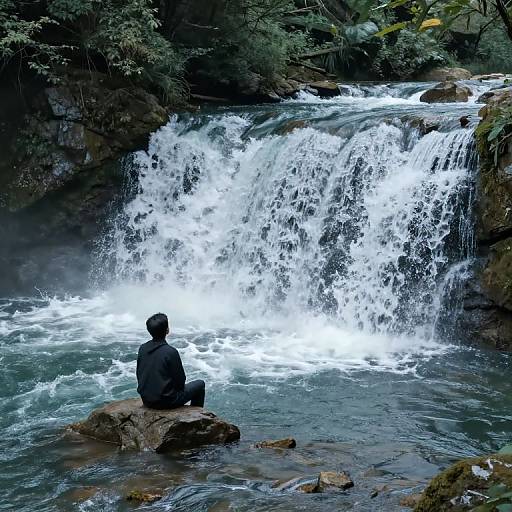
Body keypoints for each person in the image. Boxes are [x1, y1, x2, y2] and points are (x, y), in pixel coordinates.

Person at [136, 313, 205, 409]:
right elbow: (180, 382)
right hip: (166, 402)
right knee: (200, 384)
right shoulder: (170, 352)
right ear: (167, 330)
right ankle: (197, 417)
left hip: (147, 400)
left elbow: (139, 374)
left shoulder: (142, 348)